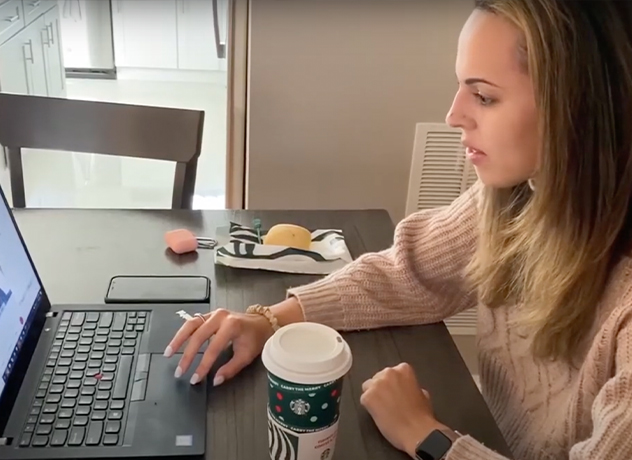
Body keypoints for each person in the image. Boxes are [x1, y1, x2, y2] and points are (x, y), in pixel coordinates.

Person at [165, 0, 632, 458]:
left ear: (583, 110)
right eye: (461, 89)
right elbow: (408, 274)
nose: (454, 115)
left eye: (485, 96)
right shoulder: (517, 195)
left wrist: (427, 436)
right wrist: (268, 320)